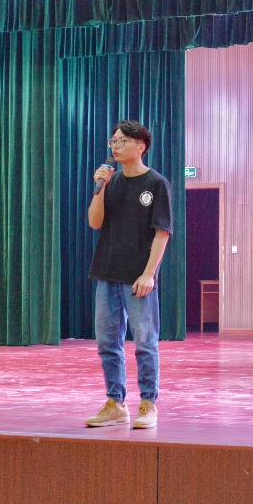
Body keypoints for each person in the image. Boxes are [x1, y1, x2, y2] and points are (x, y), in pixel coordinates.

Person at [84, 120, 172, 430]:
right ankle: (115, 404)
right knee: (107, 343)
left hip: (138, 276)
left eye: (122, 141)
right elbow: (94, 222)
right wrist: (100, 188)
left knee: (145, 342)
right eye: (113, 141)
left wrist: (149, 274)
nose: (116, 146)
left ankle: (148, 403)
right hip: (107, 271)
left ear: (140, 146)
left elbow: (162, 232)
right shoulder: (111, 181)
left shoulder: (156, 183)